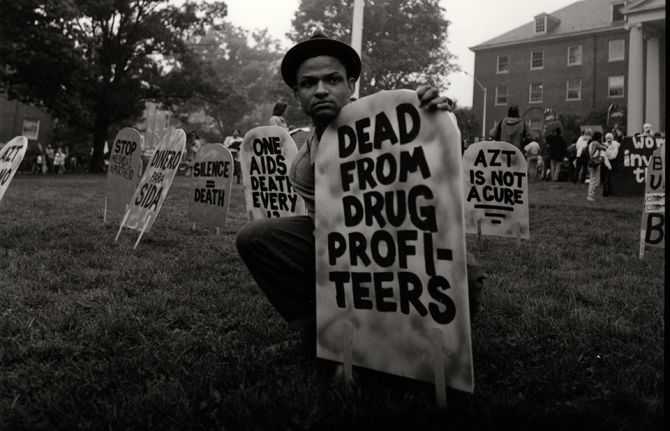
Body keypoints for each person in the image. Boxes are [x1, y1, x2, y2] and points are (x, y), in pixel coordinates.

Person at [235, 31, 486, 348]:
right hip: (344, 245)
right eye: (309, 83)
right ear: (297, 93)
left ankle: (420, 338)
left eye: (333, 80)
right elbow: (322, 230)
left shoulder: (392, 123)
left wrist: (435, 118)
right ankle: (317, 329)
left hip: (404, 236)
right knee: (255, 237)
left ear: (350, 85)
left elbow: (437, 172)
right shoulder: (301, 166)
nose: (322, 90)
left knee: (469, 281)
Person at [586, 131, 607, 202]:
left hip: (592, 162)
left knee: (594, 180)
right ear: (598, 137)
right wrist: (607, 144)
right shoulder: (595, 143)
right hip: (594, 162)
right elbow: (604, 148)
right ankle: (590, 196)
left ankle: (591, 195)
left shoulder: (591, 143)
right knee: (594, 181)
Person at [600, 132, 620, 197]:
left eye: (610, 138)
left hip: (614, 161)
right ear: (606, 139)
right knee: (606, 178)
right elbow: (604, 157)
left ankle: (613, 191)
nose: (609, 139)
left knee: (613, 177)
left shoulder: (616, 144)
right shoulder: (603, 145)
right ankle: (605, 192)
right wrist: (609, 166)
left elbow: (622, 146)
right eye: (608, 138)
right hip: (606, 162)